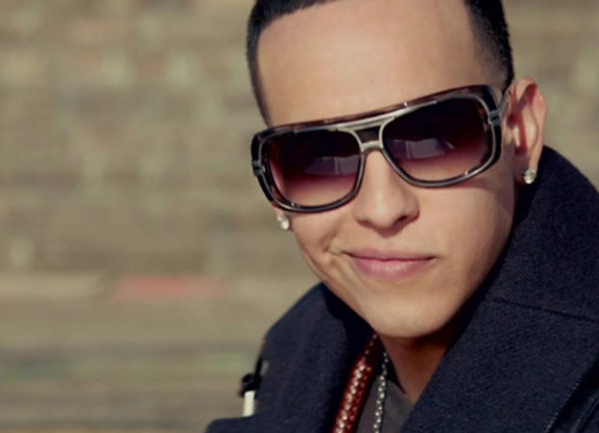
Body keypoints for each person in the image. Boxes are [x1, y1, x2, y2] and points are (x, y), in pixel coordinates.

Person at [205, 0, 599, 432]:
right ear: (275, 185)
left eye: (434, 138)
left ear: (520, 132)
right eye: (318, 157)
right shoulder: (287, 362)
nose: (382, 209)